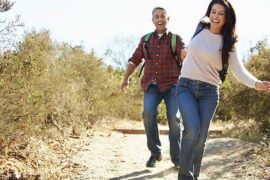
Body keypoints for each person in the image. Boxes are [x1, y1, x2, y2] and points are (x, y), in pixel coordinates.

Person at [175, 0, 270, 179]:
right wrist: (186, 52)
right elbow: (193, 48)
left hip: (209, 92)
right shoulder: (200, 27)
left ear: (227, 18)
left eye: (220, 13)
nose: (215, 16)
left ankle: (193, 176)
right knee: (192, 128)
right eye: (213, 11)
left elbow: (239, 71)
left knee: (201, 138)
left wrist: (257, 83)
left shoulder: (229, 42)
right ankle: (184, 176)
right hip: (185, 86)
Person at [121, 7, 185, 169]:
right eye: (156, 17)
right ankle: (155, 153)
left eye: (162, 16)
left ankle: (177, 159)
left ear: (168, 19)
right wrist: (126, 78)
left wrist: (187, 52)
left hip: (172, 86)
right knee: (148, 113)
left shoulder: (176, 39)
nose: (160, 19)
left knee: (174, 118)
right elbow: (134, 59)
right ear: (152, 20)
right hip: (151, 85)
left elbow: (184, 55)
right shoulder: (146, 40)